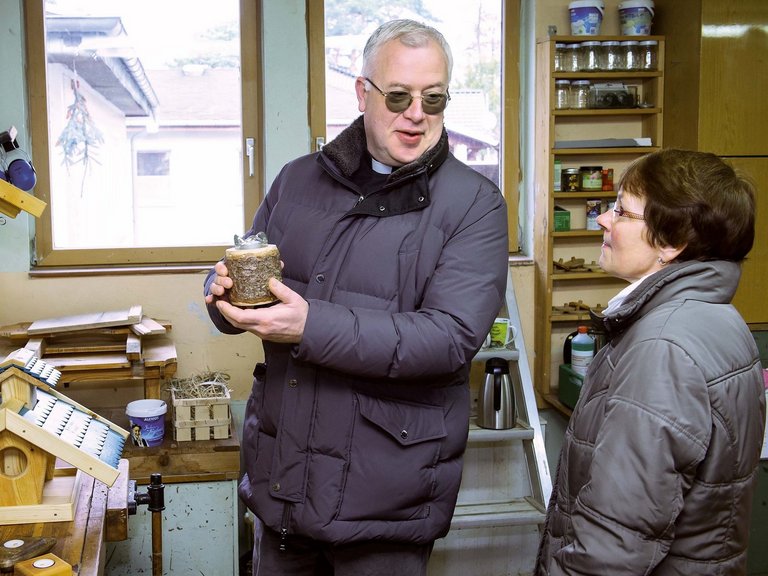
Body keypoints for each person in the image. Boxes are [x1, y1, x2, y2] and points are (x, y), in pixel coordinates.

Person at [204, 18, 508, 576]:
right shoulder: (296, 182)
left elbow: (449, 339)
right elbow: (255, 281)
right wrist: (222, 295)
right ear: (363, 92)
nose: (416, 114)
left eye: (433, 99)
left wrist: (309, 326)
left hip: (383, 503)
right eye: (398, 96)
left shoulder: (474, 205)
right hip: (283, 488)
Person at [536, 149, 766, 575]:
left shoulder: (662, 345)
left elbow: (615, 540)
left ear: (671, 241)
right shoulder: (714, 316)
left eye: (622, 211)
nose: (604, 219)